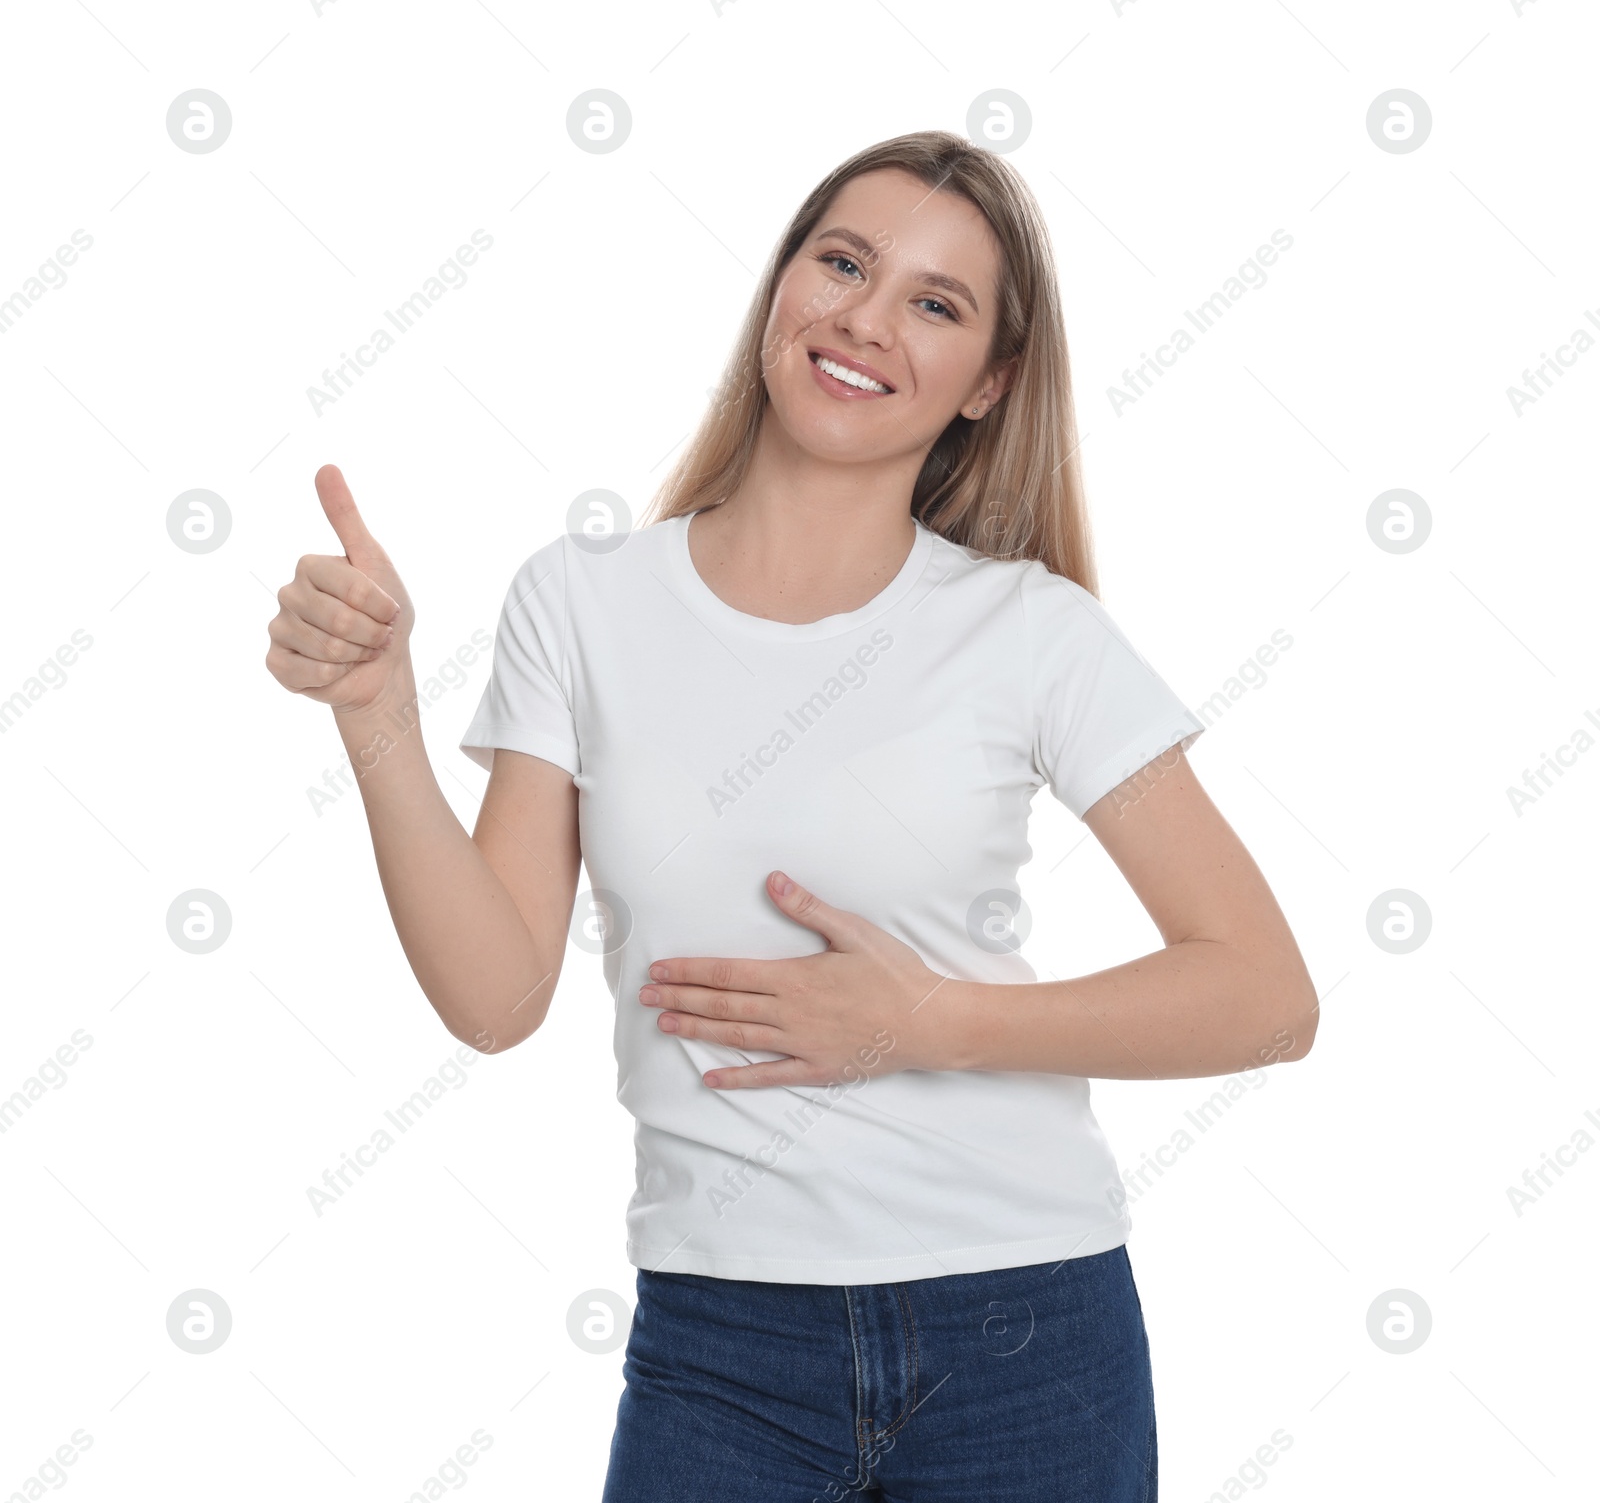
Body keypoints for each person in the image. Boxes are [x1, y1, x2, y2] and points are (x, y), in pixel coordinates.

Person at [266, 130, 1319, 1502]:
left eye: (935, 304)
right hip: (721, 1338)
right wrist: (378, 718)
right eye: (844, 262)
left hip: (1025, 1328)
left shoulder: (1032, 635)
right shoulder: (582, 603)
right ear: (781, 284)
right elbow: (494, 995)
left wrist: (932, 1022)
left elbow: (1266, 994)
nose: (866, 320)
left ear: (988, 383)